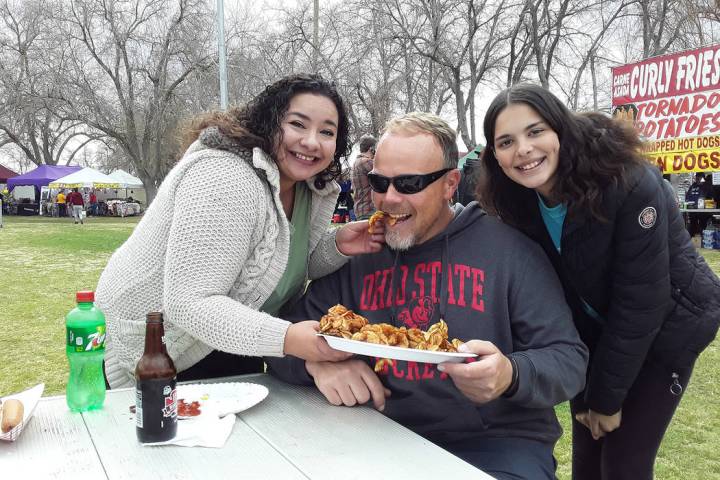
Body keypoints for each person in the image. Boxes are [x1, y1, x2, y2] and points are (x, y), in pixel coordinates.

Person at [268, 112, 588, 480]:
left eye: (409, 183)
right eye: (379, 182)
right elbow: (277, 337)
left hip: (494, 445)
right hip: (376, 435)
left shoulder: (510, 252)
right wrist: (316, 361)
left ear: (451, 184)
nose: (388, 199)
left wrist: (509, 375)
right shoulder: (361, 255)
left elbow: (568, 360)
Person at [475, 83, 720, 480]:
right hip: (594, 337)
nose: (523, 149)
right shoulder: (515, 198)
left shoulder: (626, 181)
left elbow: (641, 303)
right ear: (494, 155)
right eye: (506, 141)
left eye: (535, 131)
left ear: (559, 128)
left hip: (667, 327)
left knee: (622, 465)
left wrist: (605, 399)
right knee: (587, 463)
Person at [95, 73, 385, 389]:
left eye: (327, 132)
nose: (312, 141)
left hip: (236, 338)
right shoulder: (225, 176)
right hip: (160, 351)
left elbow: (277, 265)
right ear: (268, 123)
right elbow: (189, 302)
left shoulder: (308, 189)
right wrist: (287, 337)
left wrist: (338, 244)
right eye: (298, 124)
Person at [350, 134, 377, 220]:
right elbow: (387, 173)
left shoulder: (357, 162)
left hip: (361, 209)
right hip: (369, 209)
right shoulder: (366, 162)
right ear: (371, 149)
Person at [685, 172, 713, 236]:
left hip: (703, 212)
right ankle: (693, 241)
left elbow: (710, 198)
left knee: (702, 227)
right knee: (693, 227)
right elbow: (687, 196)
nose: (698, 178)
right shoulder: (693, 186)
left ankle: (702, 240)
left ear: (703, 178)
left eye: (699, 177)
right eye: (697, 177)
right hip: (692, 211)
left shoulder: (707, 186)